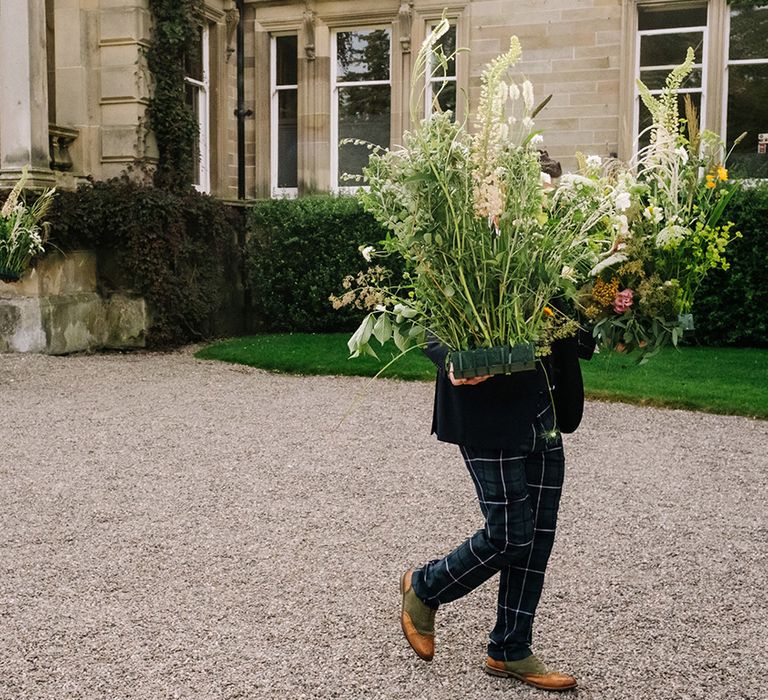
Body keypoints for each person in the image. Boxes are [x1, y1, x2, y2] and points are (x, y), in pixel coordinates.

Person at [400, 330, 594, 692]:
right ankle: (425, 587)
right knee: (509, 535)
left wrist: (609, 313)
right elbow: (426, 322)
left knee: (537, 538)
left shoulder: (551, 270)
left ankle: (511, 648)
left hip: (545, 409)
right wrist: (449, 357)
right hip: (486, 411)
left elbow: (568, 310)